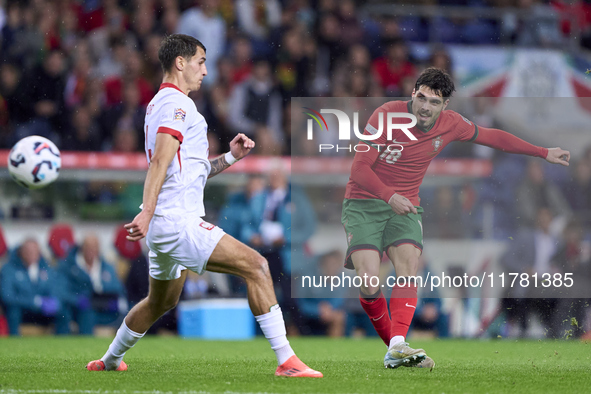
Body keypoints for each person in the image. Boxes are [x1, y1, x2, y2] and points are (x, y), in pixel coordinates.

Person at [86, 34, 321, 378]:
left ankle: (109, 359)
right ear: (180, 62)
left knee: (160, 302)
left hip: (168, 223)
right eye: (200, 61)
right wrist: (147, 211)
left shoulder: (160, 104)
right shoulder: (177, 104)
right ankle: (287, 361)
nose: (206, 71)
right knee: (256, 266)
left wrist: (229, 157)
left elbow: (191, 170)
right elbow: (160, 162)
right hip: (176, 221)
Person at [341, 67, 570, 369]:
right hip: (364, 204)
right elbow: (359, 169)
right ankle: (394, 347)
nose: (425, 107)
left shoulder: (452, 124)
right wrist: (388, 195)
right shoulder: (386, 115)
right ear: (413, 92)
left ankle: (397, 345)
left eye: (434, 102)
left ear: (445, 106)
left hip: (406, 205)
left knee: (409, 264)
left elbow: (493, 137)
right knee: (370, 281)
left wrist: (541, 152)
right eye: (421, 98)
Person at [0, 238, 68, 335]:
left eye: (34, 251)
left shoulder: (47, 269)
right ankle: (14, 343)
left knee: (63, 312)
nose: (31, 254)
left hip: (43, 312)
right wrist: (34, 301)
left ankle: (63, 344)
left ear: (39, 252)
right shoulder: (9, 269)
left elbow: (55, 289)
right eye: (27, 251)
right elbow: (7, 296)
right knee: (13, 312)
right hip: (23, 311)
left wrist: (54, 300)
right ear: (21, 252)